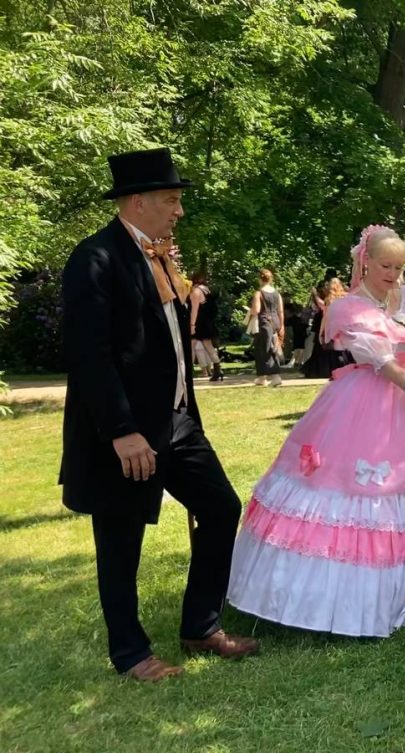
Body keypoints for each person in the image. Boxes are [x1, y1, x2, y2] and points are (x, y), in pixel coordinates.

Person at [227, 226, 405, 636]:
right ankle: (375, 599)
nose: (393, 274)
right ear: (365, 261)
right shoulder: (348, 307)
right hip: (373, 398)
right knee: (373, 491)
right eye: (386, 266)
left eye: (400, 267)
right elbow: (379, 359)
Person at [60, 147, 255, 682]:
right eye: (171, 199)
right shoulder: (95, 258)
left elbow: (169, 342)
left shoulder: (161, 256)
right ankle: (130, 653)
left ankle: (201, 624)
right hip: (124, 432)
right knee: (121, 542)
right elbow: (89, 355)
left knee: (220, 508)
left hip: (177, 421)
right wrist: (122, 431)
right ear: (138, 201)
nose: (179, 210)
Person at [251, 269, 284, 387]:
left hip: (264, 322)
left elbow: (256, 310)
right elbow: (280, 310)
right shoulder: (277, 293)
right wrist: (282, 325)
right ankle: (262, 376)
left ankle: (274, 376)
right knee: (272, 346)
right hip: (275, 321)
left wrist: (250, 311)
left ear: (260, 279)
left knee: (264, 348)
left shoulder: (259, 293)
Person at [189, 271, 224, 382]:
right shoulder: (206, 290)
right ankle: (218, 369)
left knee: (190, 346)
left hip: (199, 323)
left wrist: (192, 325)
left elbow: (194, 310)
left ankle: (187, 370)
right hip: (208, 323)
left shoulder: (196, 292)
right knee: (209, 347)